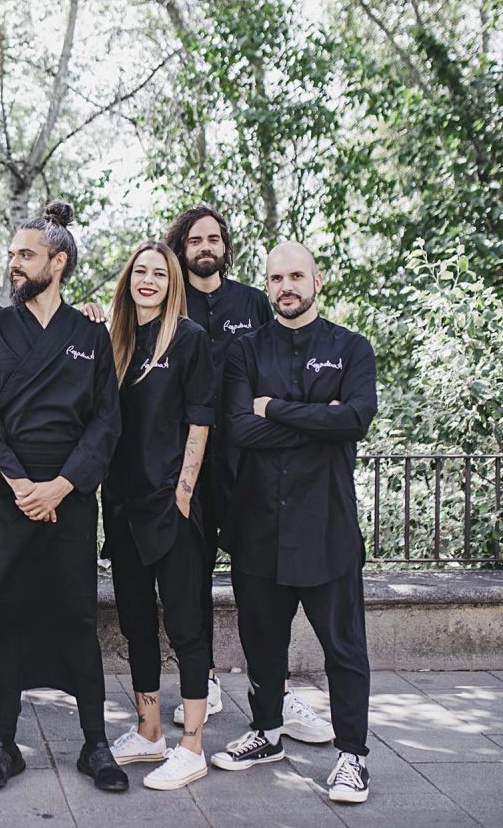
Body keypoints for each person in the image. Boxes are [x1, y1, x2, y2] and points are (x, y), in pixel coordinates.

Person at [0, 201, 127, 793]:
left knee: (79, 615)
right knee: (7, 611)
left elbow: (106, 421)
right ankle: (4, 744)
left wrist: (62, 484)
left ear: (58, 262)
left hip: (70, 497)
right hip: (10, 495)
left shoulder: (89, 336)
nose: (13, 266)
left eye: (24, 255)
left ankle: (95, 744)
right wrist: (17, 481)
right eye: (12, 256)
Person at [160, 206, 337, 740]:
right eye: (196, 239)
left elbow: (278, 366)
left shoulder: (253, 301)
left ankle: (275, 695)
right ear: (182, 246)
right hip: (184, 458)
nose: (205, 246)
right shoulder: (168, 296)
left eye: (214, 237)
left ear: (225, 246)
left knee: (258, 581)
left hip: (244, 463)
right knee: (187, 573)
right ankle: (204, 679)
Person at [210, 242, 376, 805]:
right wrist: (318, 420)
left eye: (296, 275)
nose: (286, 286)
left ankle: (353, 755)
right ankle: (266, 732)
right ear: (266, 284)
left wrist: (273, 408)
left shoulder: (352, 348)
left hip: (327, 527)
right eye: (276, 277)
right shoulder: (243, 351)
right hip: (257, 526)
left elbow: (355, 419)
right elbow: (238, 430)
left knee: (344, 649)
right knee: (262, 644)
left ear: (317, 281)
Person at [102, 242, 216, 790]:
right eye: (140, 272)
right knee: (136, 622)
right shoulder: (115, 340)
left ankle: (192, 744)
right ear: (128, 281)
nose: (148, 280)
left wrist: (184, 492)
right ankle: (149, 731)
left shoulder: (190, 339)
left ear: (172, 284)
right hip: (121, 505)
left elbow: (200, 419)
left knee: (186, 625)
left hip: (170, 506)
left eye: (159, 273)